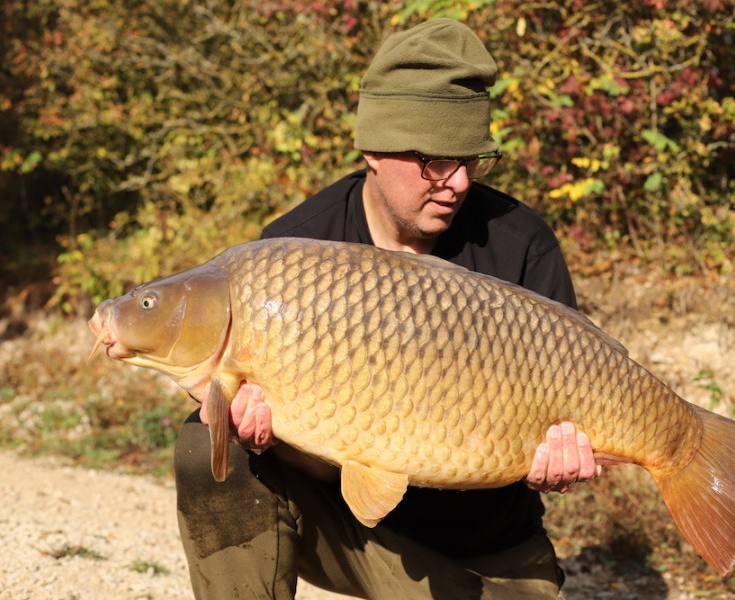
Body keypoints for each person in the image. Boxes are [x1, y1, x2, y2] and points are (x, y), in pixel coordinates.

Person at [174, 18, 599, 599]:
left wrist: (559, 465)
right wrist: (270, 439)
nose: (455, 184)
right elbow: (333, 458)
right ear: (373, 148)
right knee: (206, 446)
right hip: (355, 538)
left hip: (491, 556)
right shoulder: (295, 254)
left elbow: (567, 424)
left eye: (470, 160)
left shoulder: (521, 242)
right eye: (432, 161)